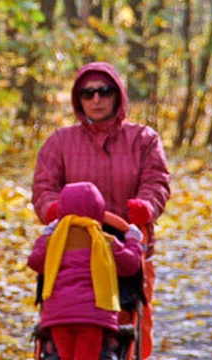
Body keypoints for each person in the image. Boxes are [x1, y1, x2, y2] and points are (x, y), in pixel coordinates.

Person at [32, 62, 170, 359]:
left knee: (132, 321)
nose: (96, 99)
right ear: (78, 99)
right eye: (88, 93)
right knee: (63, 320)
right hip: (73, 249)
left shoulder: (143, 139)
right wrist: (53, 209)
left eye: (104, 92)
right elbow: (44, 187)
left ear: (117, 95)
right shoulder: (60, 142)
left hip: (126, 244)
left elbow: (156, 181)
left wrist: (145, 207)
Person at [27, 182, 144, 360]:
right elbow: (130, 265)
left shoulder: (53, 242)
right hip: (93, 317)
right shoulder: (105, 241)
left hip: (58, 316)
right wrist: (133, 240)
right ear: (99, 211)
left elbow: (35, 262)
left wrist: (45, 235)